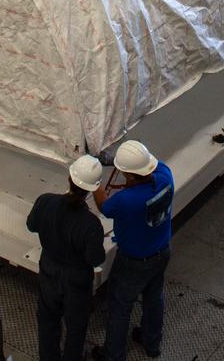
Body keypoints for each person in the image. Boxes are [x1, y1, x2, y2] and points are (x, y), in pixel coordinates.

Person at [92, 140, 174, 361]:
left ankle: (113, 355)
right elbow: (150, 166)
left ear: (128, 175)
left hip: (133, 262)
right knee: (153, 297)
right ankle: (151, 342)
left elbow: (104, 207)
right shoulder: (166, 176)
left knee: (120, 307)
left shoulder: (126, 200)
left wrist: (94, 180)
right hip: (162, 250)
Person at [28, 155, 107, 361]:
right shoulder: (90, 224)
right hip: (76, 280)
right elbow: (95, 259)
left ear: (69, 177)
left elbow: (31, 225)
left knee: (47, 320)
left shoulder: (45, 201)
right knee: (76, 327)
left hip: (49, 270)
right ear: (92, 189)